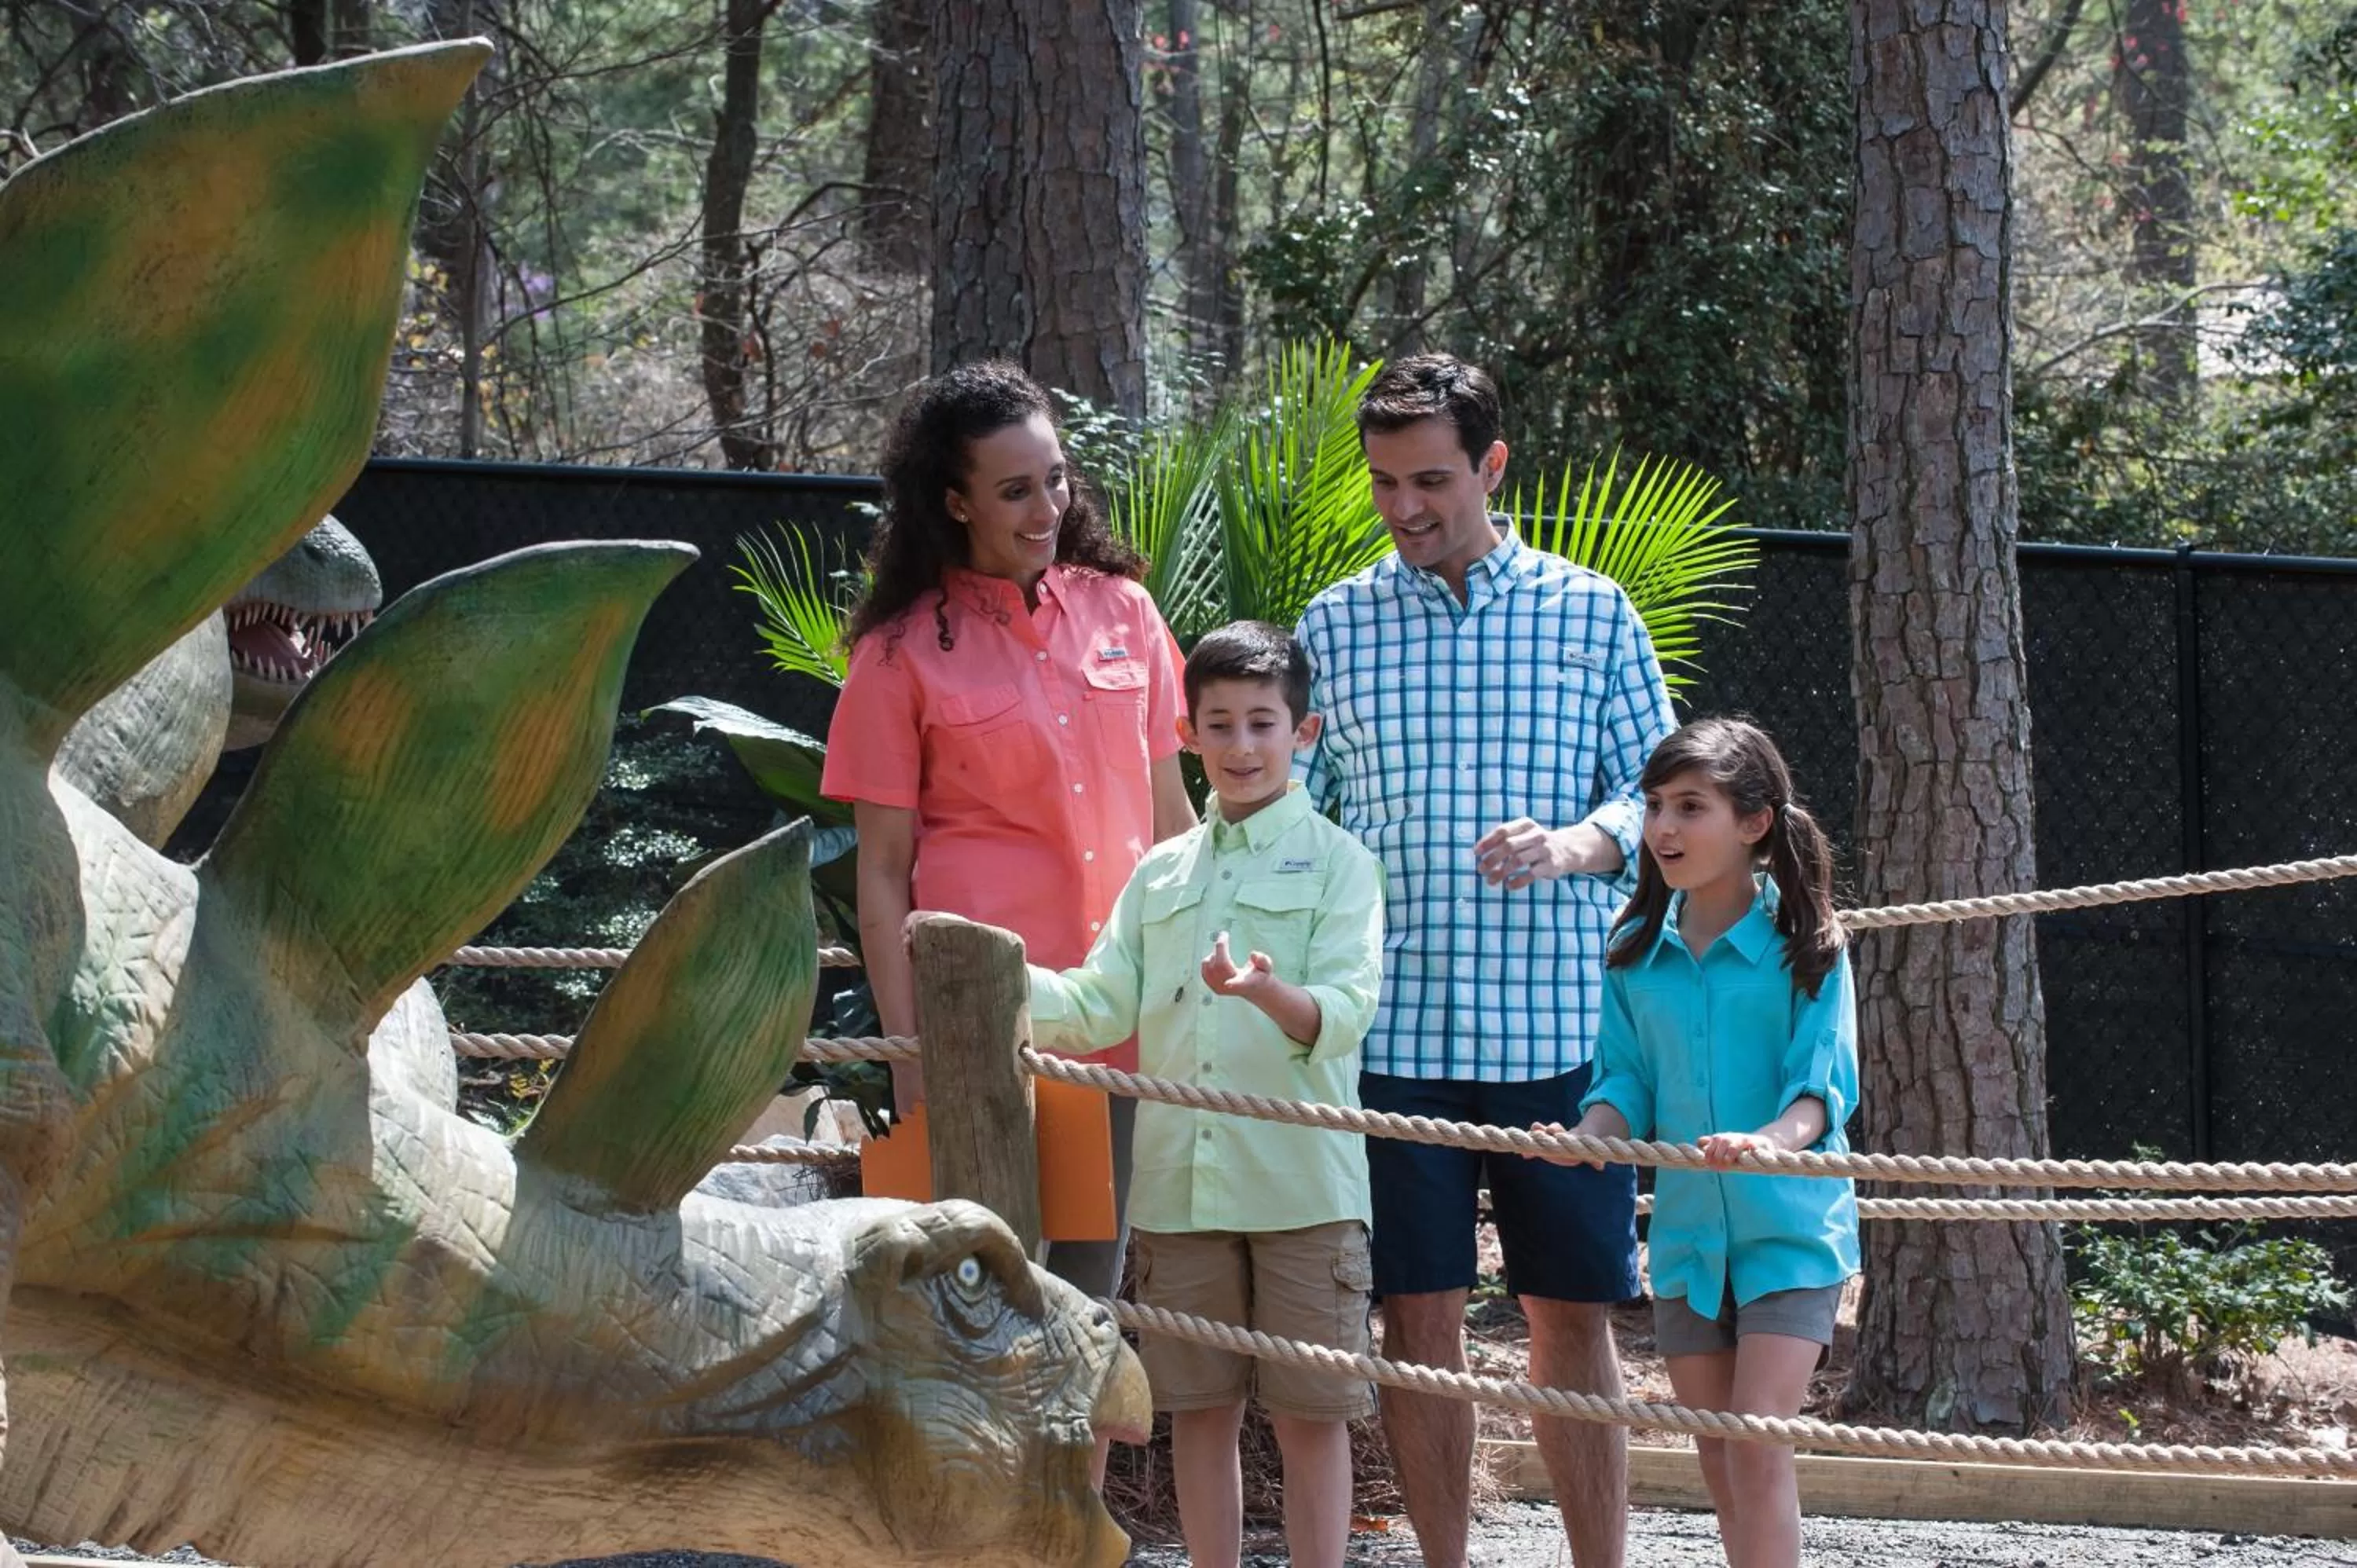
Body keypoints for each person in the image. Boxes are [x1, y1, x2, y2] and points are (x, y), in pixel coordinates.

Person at [1294, 353, 1677, 1568]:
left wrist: (1578, 843)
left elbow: (1662, 792)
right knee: (1418, 1320)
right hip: (1390, 1039)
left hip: (1560, 1037)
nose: (1405, 507)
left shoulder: (1592, 610)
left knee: (1574, 1315)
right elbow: (1292, 822)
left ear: (1493, 466)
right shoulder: (1332, 626)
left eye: (1433, 481)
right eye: (1385, 483)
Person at [821, 361, 1196, 1315]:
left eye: (1058, 479)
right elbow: (884, 873)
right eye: (1016, 490)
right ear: (955, 502)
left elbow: (1175, 821)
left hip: (1115, 1020)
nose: (1048, 507)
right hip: (978, 1027)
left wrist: (1205, 998)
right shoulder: (896, 652)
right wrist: (911, 1054)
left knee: (1087, 1305)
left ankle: (1074, 1477)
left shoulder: (1128, 613)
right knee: (970, 1310)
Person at [1027, 622, 1384, 1568]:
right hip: (1180, 1187)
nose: (1241, 745)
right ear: (1188, 732)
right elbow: (1097, 1001)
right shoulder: (1159, 874)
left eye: (1263, 723)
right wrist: (993, 974)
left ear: (1302, 732)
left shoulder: (1344, 864)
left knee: (1312, 1415)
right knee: (1198, 1411)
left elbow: (1345, 1013)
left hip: (1304, 1188)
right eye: (1219, 724)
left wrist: (1266, 990)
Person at [1538, 716, 1859, 1568]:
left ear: (1754, 822)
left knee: (1756, 1444)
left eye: (1691, 806)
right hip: (1687, 1242)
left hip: (1790, 1236)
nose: (1663, 828)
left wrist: (1771, 1142)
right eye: (1653, 806)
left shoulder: (1811, 947)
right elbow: (1624, 1084)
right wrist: (1587, 1139)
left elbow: (1819, 1090)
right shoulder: (1633, 951)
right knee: (1718, 1455)